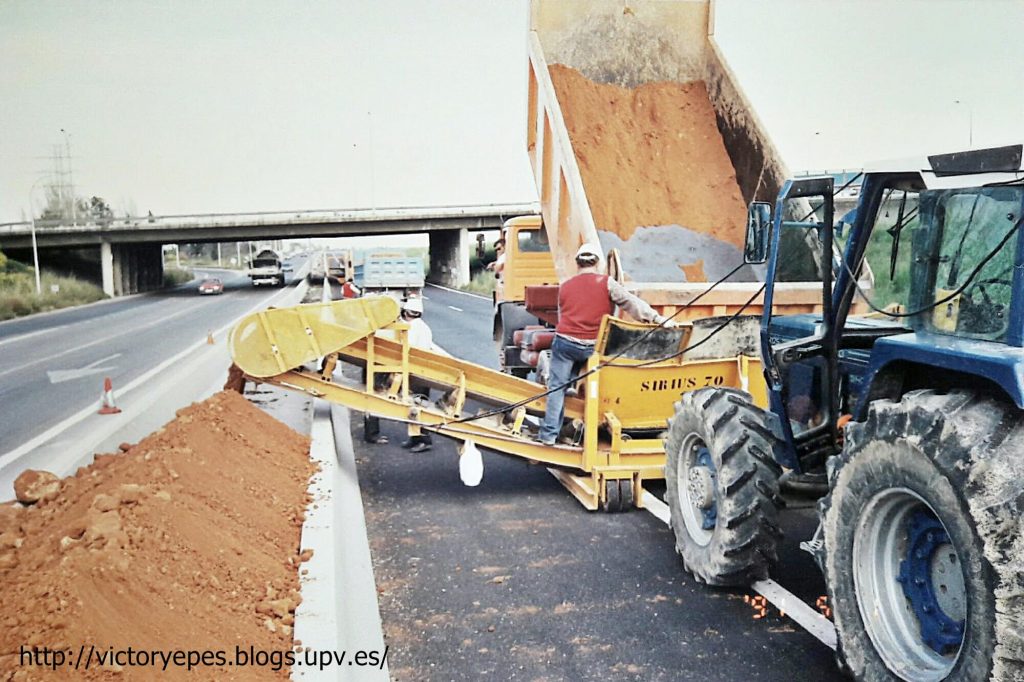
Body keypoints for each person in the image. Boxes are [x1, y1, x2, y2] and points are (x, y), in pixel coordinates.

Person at [537, 242, 671, 445]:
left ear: (577, 264)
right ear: (598, 263)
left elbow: (561, 317)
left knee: (557, 388)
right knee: (596, 383)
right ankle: (595, 425)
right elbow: (631, 303)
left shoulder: (565, 287)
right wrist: (657, 319)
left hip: (566, 344)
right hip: (593, 347)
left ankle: (548, 436)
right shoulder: (607, 283)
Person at [364, 296, 450, 452]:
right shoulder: (422, 327)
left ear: (405, 312)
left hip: (413, 373)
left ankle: (423, 440)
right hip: (417, 372)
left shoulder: (407, 328)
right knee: (417, 404)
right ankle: (416, 438)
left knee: (415, 406)